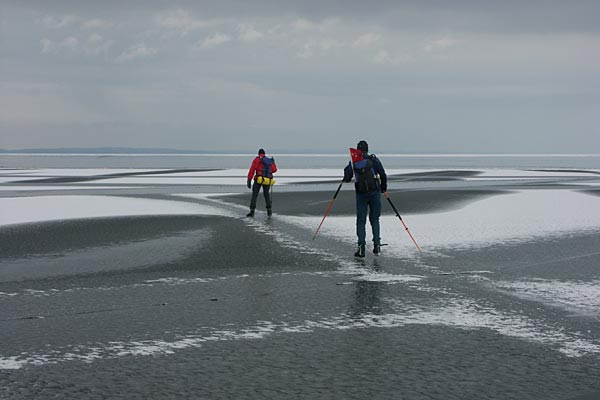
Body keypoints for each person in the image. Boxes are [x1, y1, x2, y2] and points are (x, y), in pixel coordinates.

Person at [343, 140, 387, 258]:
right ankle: (377, 246)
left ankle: (361, 247)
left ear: (358, 150)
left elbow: (347, 177)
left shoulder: (354, 161)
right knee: (375, 219)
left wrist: (348, 171)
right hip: (374, 193)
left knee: (361, 221)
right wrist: (383, 188)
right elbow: (383, 174)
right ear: (367, 149)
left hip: (361, 194)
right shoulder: (373, 160)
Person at [246, 148, 277, 218]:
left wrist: (249, 180)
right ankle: (269, 212)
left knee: (254, 195)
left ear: (258, 153)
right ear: (264, 154)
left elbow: (252, 170)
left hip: (258, 179)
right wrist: (273, 163)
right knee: (266, 195)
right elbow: (274, 170)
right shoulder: (269, 161)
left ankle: (252, 212)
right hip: (267, 180)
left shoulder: (257, 160)